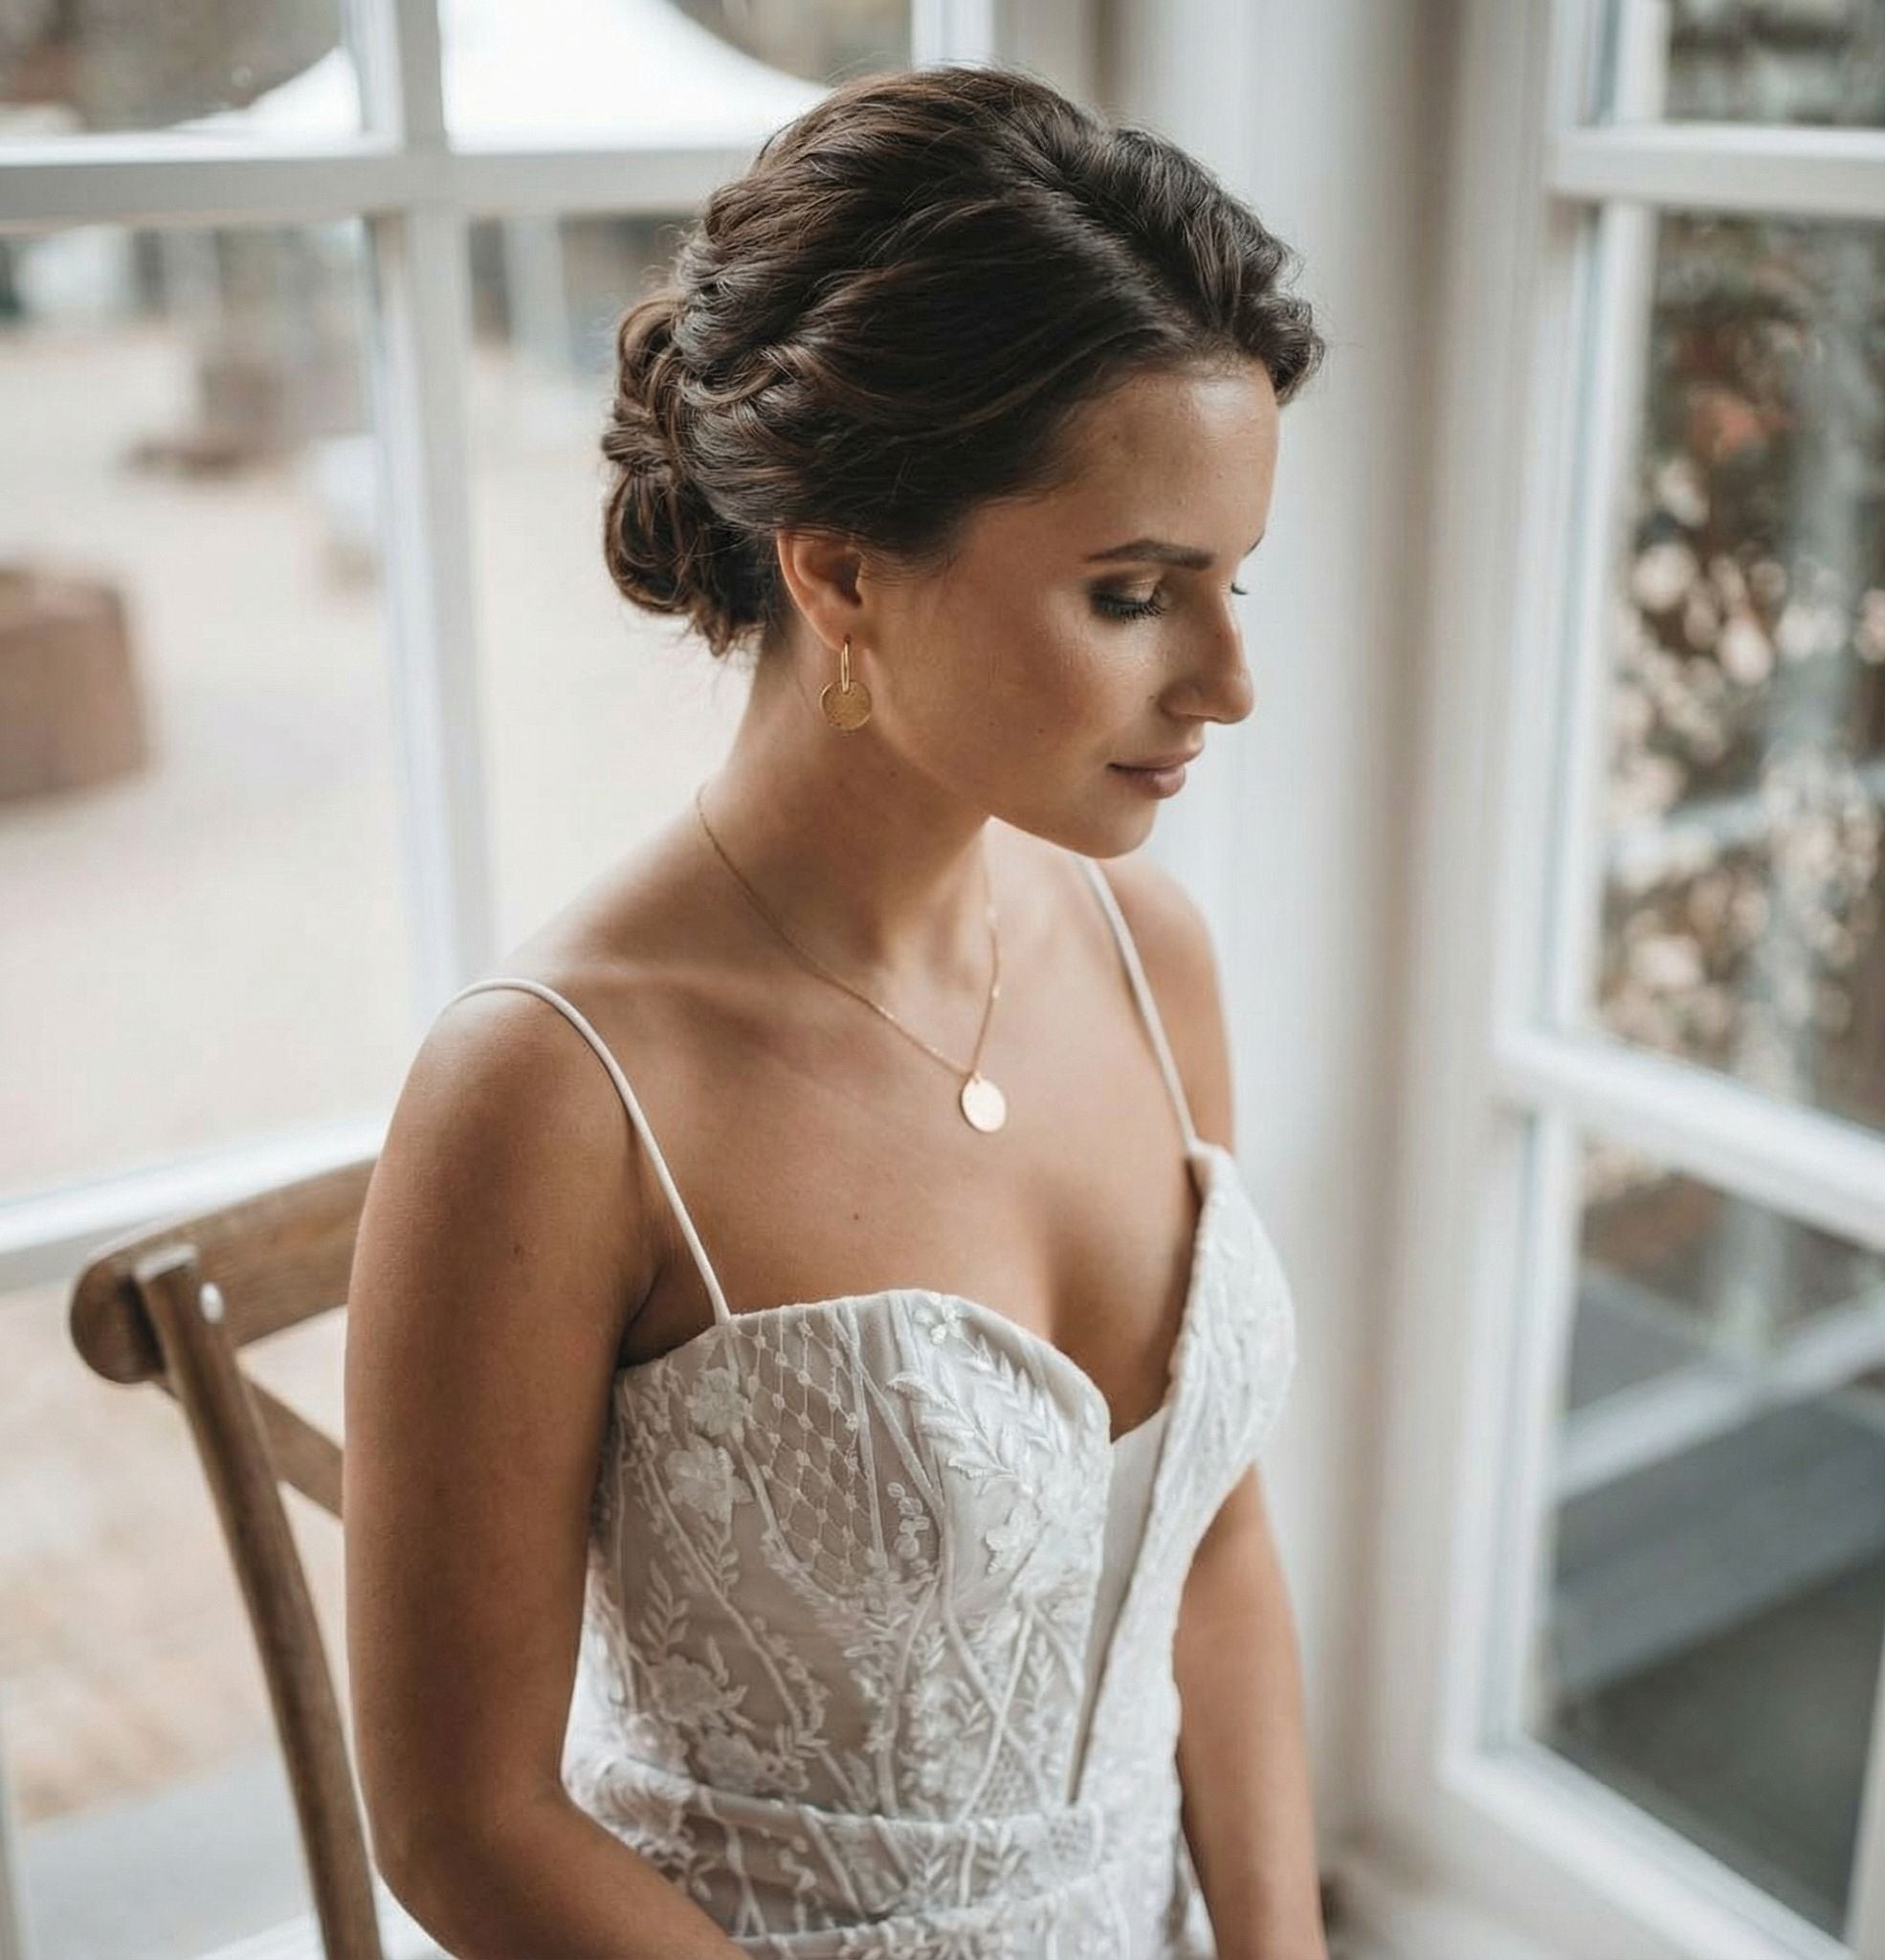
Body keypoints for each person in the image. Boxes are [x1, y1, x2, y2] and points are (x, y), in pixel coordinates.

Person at [344, 60, 1329, 1960]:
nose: (1228, 680)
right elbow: (462, 1824)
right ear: (841, 573)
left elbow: (1210, 1546)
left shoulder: (1151, 959)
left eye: (1232, 584)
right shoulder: (547, 1097)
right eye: (1137, 593)